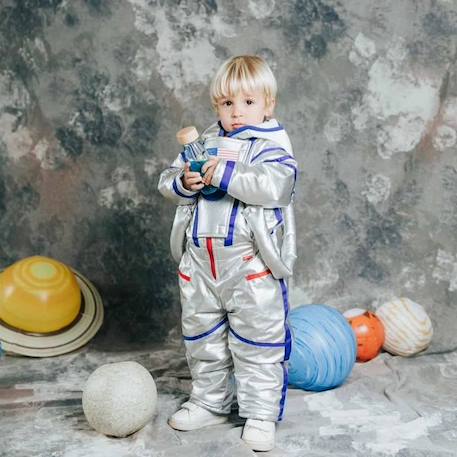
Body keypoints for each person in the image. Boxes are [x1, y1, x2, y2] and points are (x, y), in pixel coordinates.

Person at [158, 55, 298, 452]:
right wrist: (185, 182)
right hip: (201, 262)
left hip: (249, 263)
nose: (237, 113)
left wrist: (222, 174)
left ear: (267, 105)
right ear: (216, 106)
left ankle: (259, 412)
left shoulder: (271, 147)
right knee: (203, 336)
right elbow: (166, 183)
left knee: (257, 340)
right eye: (227, 104)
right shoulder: (204, 142)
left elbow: (275, 187)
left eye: (248, 103)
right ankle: (209, 401)